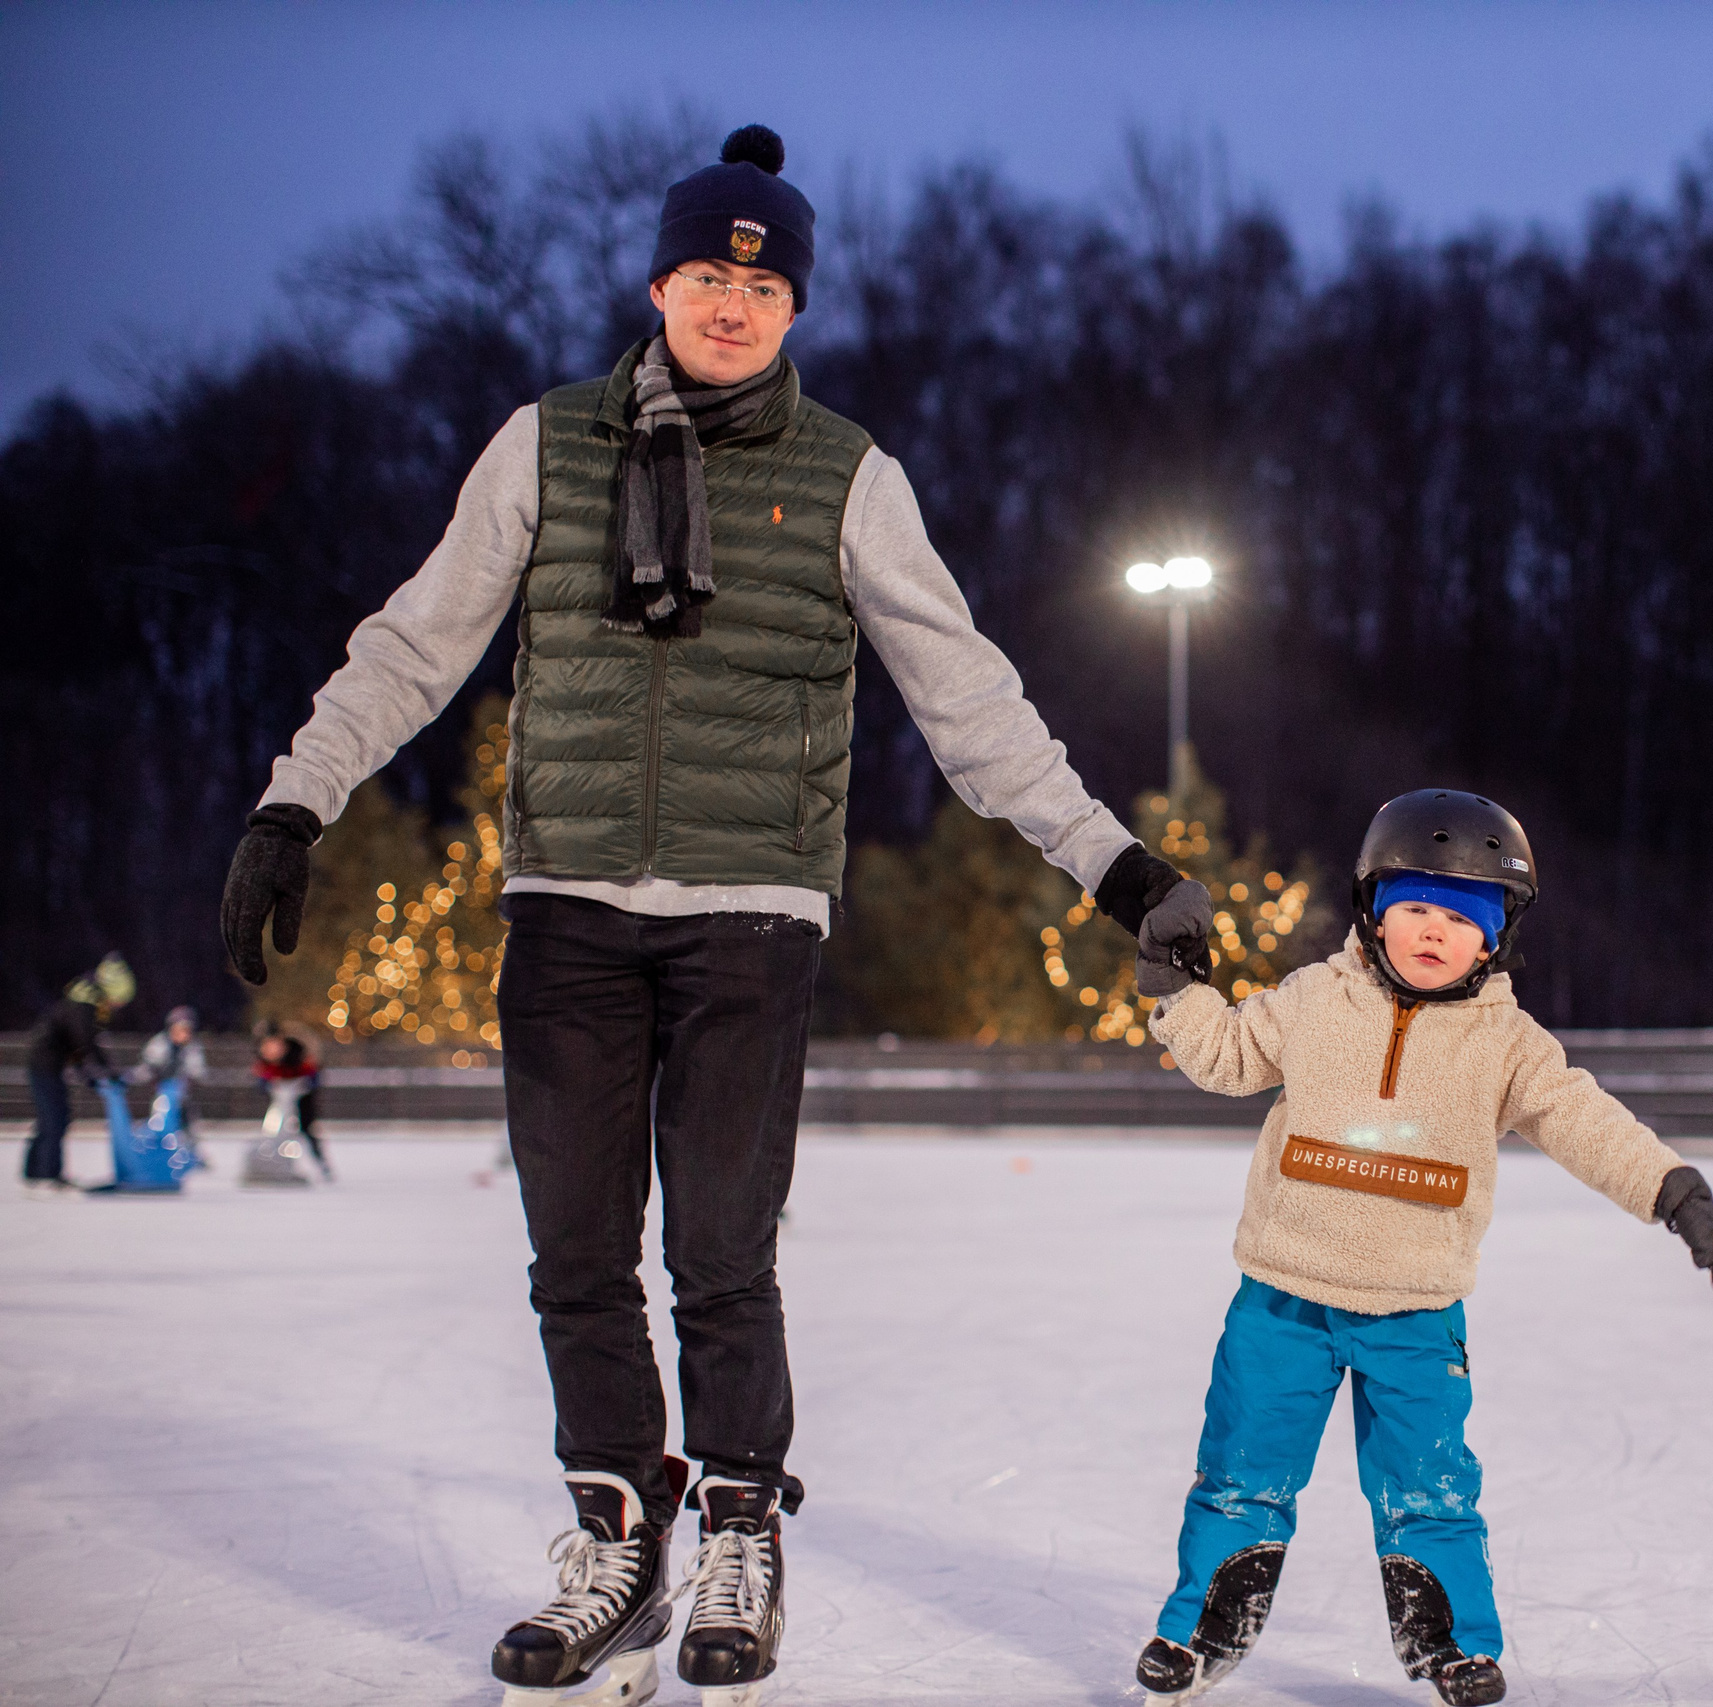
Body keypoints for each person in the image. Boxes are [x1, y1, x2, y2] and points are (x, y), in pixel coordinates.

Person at [216, 125, 1200, 1707]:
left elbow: (971, 704)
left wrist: (1117, 863)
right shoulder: (546, 446)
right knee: (576, 1250)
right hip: (567, 907)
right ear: (659, 280)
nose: (731, 303)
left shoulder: (850, 479)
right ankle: (618, 1531)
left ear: (794, 303)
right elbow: (414, 644)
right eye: (705, 272)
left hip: (751, 915)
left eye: (762, 281)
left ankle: (741, 1525)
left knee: (724, 1254)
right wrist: (293, 799)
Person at [1125, 790, 1713, 1705]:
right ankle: (1199, 1626)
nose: (1433, 930)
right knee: (1238, 1470)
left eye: (1462, 915)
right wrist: (1174, 991)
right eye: (1415, 906)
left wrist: (1675, 1193)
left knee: (1429, 1488)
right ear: (1373, 912)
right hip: (1282, 1299)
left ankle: (1455, 1642)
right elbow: (1225, 1053)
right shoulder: (1314, 1000)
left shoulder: (1506, 1047)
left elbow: (1586, 1122)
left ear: (1494, 937)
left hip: (1415, 1313)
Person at [22, 953, 134, 1195]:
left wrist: (102, 1073)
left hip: (51, 1066)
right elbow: (84, 1042)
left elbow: (85, 1044)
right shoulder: (83, 1003)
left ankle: (37, 1173)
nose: (117, 1007)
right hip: (44, 1065)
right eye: (118, 1001)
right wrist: (100, 1073)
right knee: (53, 1119)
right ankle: (45, 1175)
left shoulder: (87, 1001)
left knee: (56, 1118)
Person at [253, 1025, 330, 1183]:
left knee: (305, 1128)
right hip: (280, 1099)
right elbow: (262, 1079)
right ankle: (275, 1163)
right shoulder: (263, 1058)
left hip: (302, 1097)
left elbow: (313, 1075)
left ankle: (320, 1164)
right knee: (274, 1130)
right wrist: (271, 1086)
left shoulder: (297, 1052)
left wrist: (304, 1086)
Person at [138, 1006, 209, 1161]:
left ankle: (191, 1151)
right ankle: (157, 1150)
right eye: (178, 1030)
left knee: (189, 1121)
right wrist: (153, 1074)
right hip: (162, 1093)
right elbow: (147, 1065)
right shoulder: (160, 1044)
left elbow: (198, 1070)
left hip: (183, 1095)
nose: (182, 1034)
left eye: (186, 1031)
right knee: (159, 1119)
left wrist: (190, 1080)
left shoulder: (192, 1048)